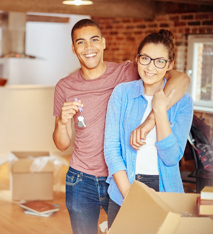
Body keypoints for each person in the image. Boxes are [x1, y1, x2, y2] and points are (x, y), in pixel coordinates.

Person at [53, 19, 190, 234]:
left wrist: (149, 122)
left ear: (104, 43)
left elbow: (181, 79)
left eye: (94, 40)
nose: (89, 48)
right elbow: (62, 145)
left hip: (118, 177)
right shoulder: (65, 86)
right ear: (73, 48)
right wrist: (62, 122)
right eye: (81, 42)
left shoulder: (127, 72)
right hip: (82, 179)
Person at [104, 29, 194, 228]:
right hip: (125, 188)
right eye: (145, 58)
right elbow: (111, 149)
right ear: (137, 59)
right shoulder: (122, 93)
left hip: (166, 191)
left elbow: (171, 158)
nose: (150, 67)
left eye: (159, 61)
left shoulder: (183, 102)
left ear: (169, 65)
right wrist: (129, 194)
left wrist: (160, 111)